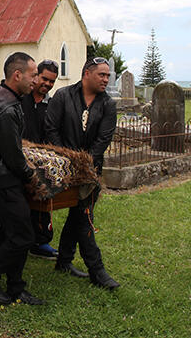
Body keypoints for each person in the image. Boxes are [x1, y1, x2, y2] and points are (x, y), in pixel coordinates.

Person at [0, 52, 44, 305]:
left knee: (13, 232)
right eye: (33, 75)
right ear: (17, 75)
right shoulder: (7, 108)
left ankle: (15, 286)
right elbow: (12, 156)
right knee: (23, 236)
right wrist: (31, 175)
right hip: (1, 178)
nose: (35, 80)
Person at [45, 57, 119, 289]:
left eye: (108, 76)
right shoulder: (63, 96)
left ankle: (67, 262)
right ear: (87, 73)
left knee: (82, 215)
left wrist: (84, 165)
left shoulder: (108, 104)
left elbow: (103, 139)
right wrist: (68, 159)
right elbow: (51, 128)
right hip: (63, 167)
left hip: (90, 171)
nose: (106, 79)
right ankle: (95, 270)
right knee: (80, 217)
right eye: (102, 75)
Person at [22, 59, 59, 260]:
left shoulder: (51, 105)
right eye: (44, 78)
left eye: (52, 81)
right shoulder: (21, 98)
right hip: (19, 159)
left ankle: (41, 242)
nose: (47, 84)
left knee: (42, 204)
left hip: (41, 162)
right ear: (36, 76)